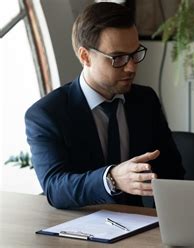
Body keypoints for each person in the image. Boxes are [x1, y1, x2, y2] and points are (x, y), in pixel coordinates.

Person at [25, 2, 184, 209]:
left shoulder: (145, 100)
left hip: (139, 225)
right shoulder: (47, 114)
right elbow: (55, 188)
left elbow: (172, 170)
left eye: (135, 53)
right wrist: (111, 178)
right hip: (78, 228)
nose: (131, 67)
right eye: (118, 58)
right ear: (85, 56)